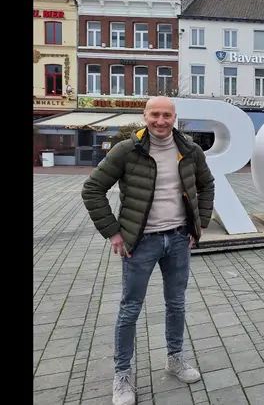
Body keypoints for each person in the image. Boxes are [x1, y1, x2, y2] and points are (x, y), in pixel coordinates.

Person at [81, 96, 215, 405]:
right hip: (141, 242)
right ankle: (122, 375)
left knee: (176, 303)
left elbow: (207, 185)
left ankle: (175, 359)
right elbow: (92, 189)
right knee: (130, 309)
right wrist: (113, 232)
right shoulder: (127, 151)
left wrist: (200, 223)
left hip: (180, 239)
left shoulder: (190, 150)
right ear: (145, 115)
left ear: (174, 117)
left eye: (166, 115)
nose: (160, 120)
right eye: (154, 114)